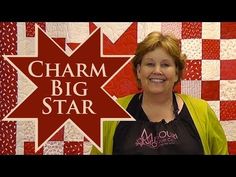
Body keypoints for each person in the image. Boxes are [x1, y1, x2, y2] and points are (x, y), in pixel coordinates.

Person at [90, 31, 228, 155]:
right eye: (150, 64)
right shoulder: (113, 112)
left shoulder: (202, 111)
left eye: (165, 64)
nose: (157, 71)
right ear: (138, 71)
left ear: (176, 73)